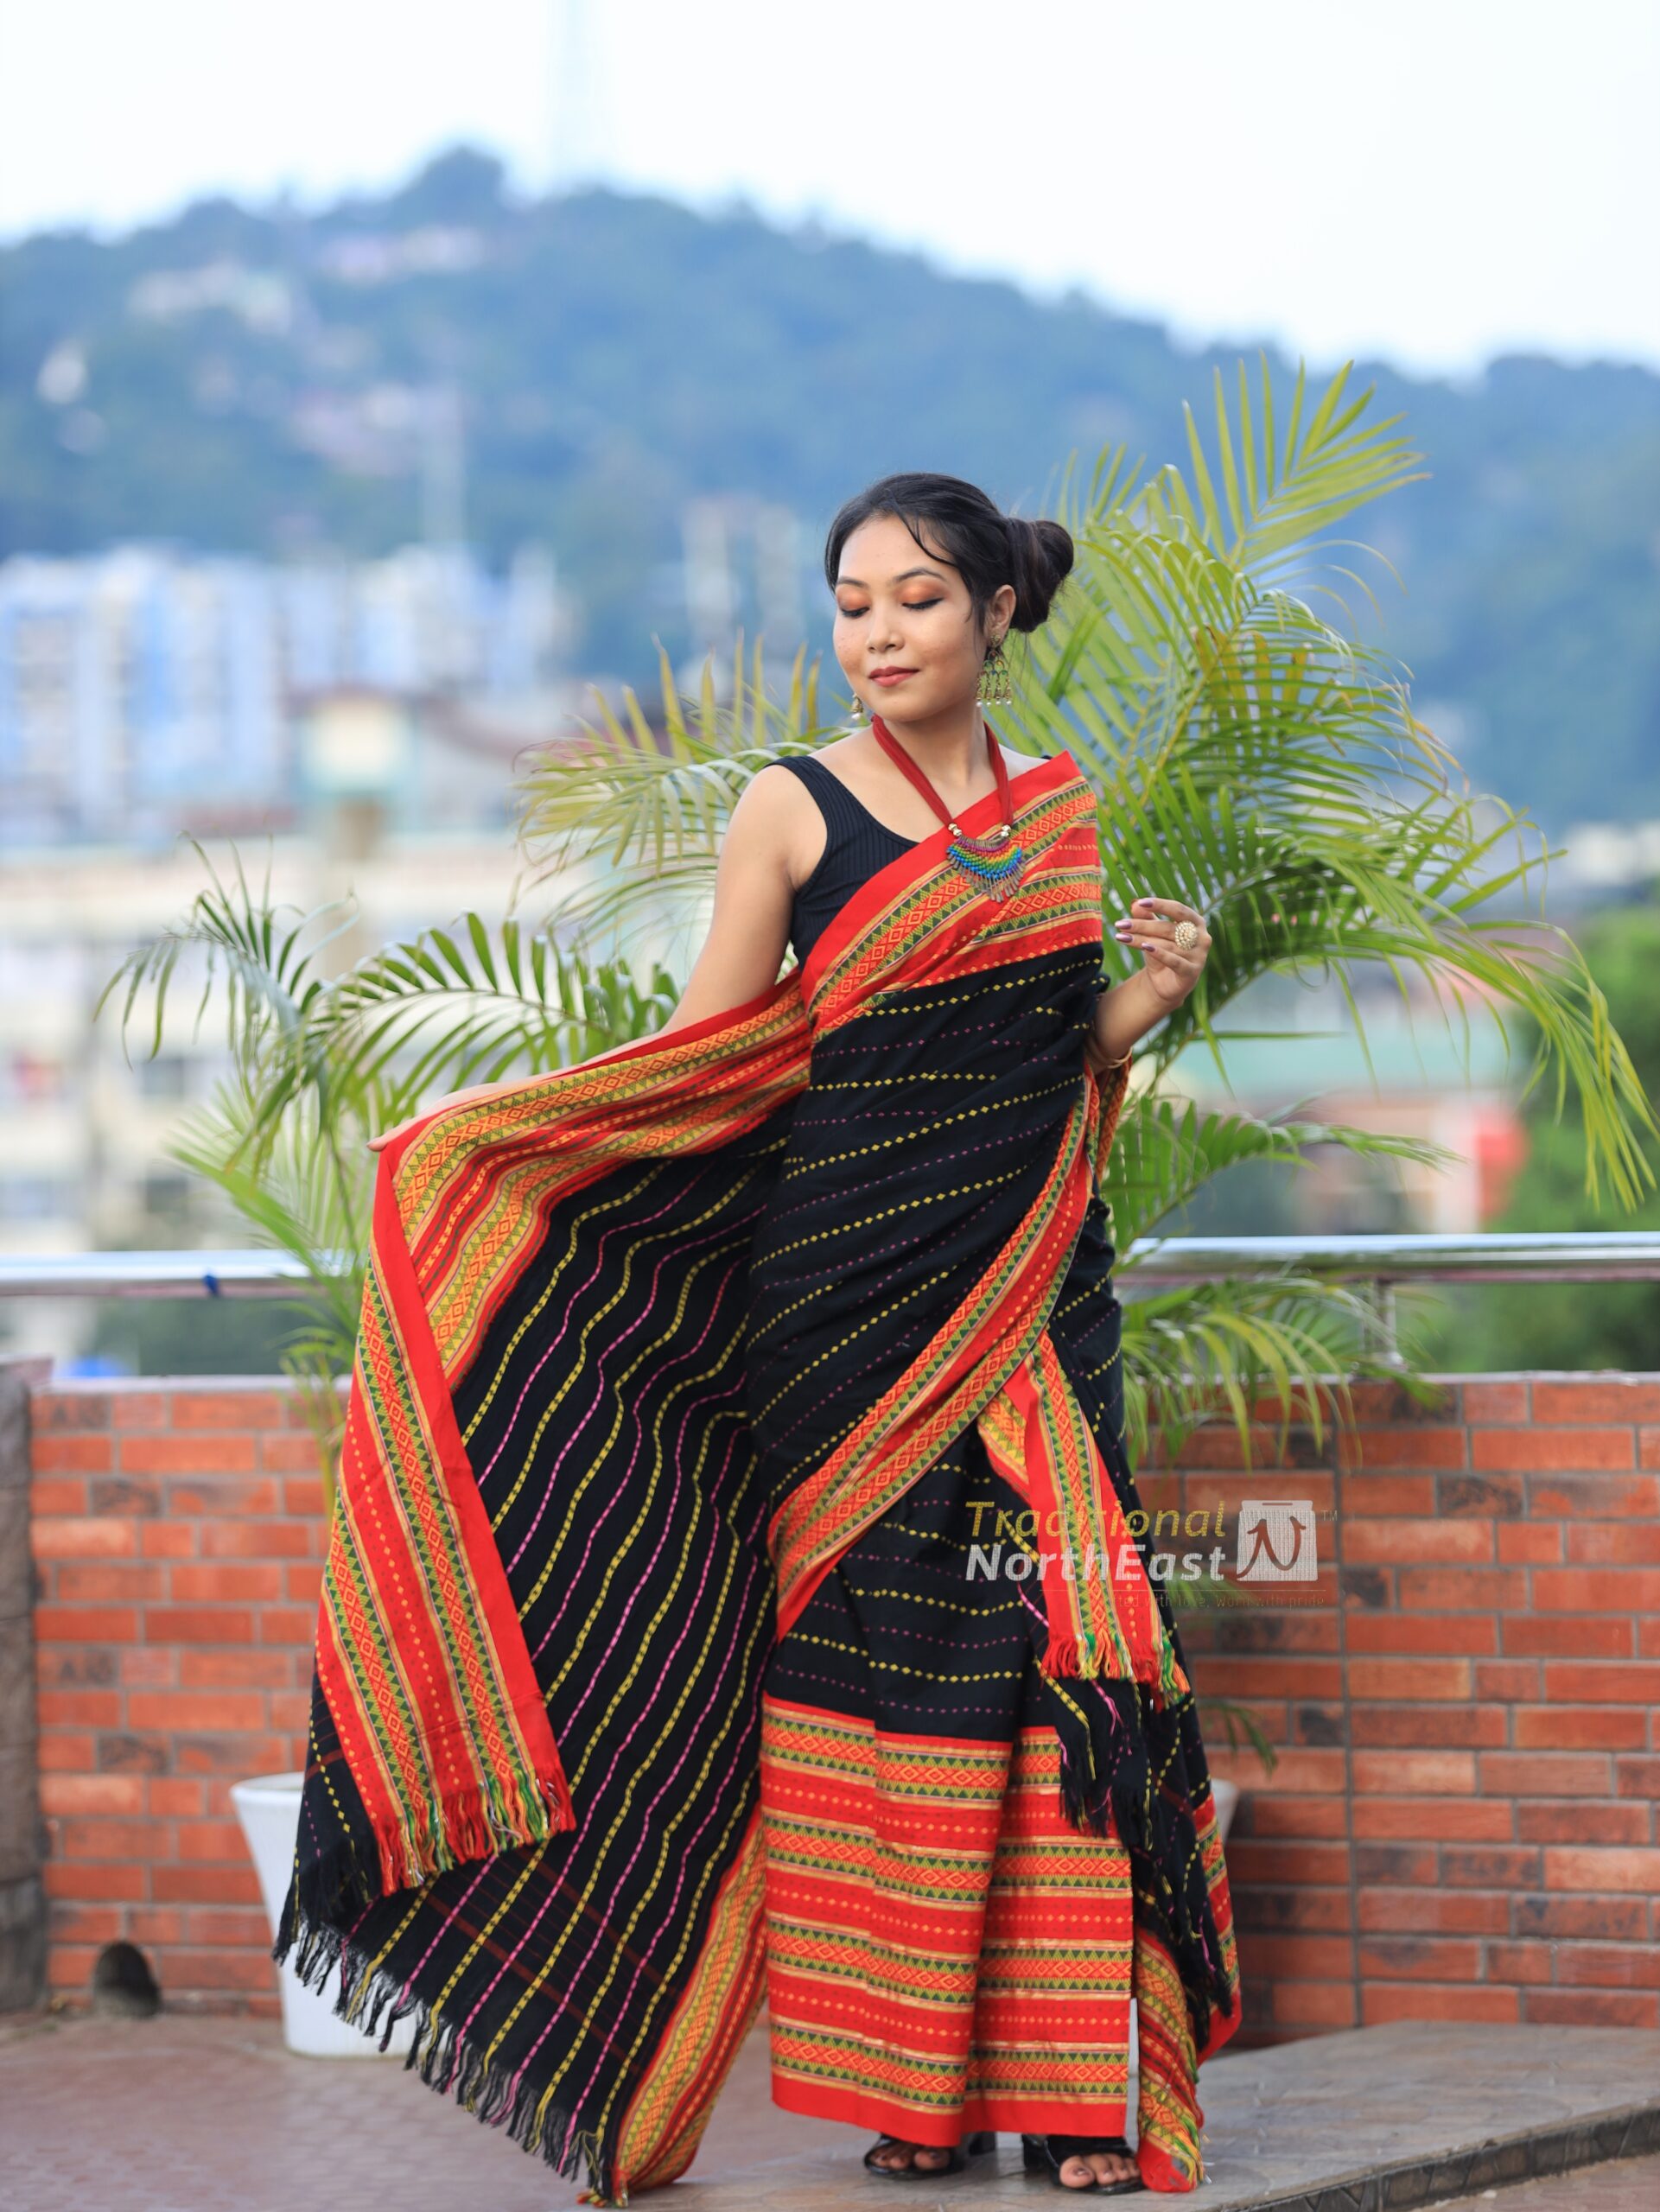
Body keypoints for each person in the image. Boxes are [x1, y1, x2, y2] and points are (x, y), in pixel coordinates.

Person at [275, 472, 1240, 2207]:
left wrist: (1141, 1004)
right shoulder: (787, 810)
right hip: (846, 1320)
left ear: (997, 613)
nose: (878, 633)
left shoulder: (1062, 809)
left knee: (1058, 1658)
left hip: (1036, 1294)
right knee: (896, 1685)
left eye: (917, 600)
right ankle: (919, 2092)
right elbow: (699, 1069)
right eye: (852, 602)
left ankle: (1076, 2092)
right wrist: (476, 1152)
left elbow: (1041, 1056)